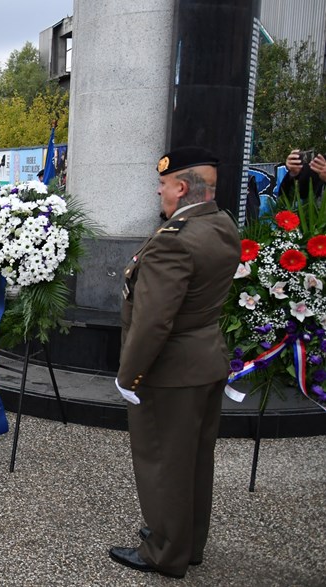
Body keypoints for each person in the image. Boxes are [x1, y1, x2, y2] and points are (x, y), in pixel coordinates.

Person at [110, 147, 240, 579]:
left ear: (182, 188)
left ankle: (165, 552)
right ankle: (189, 543)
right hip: (207, 361)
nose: (159, 191)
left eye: (164, 185)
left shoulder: (175, 241)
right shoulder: (221, 226)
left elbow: (153, 321)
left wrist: (129, 374)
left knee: (163, 462)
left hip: (171, 371)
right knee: (195, 461)